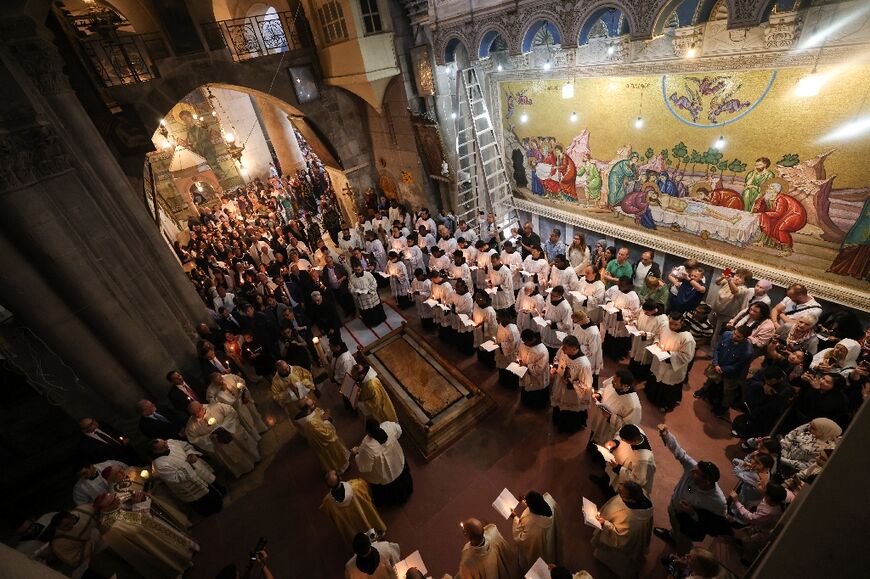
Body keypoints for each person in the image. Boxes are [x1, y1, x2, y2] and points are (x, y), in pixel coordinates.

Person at [653, 425, 727, 554]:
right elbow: (680, 453)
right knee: (674, 525)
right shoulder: (692, 468)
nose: (692, 470)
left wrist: (693, 513)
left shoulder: (718, 501)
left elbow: (716, 522)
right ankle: (672, 535)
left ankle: (680, 557)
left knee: (684, 543)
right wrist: (666, 435)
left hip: (689, 524)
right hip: (674, 508)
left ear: (706, 481)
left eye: (696, 472)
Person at [94, 492, 199, 579]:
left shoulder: (118, 501)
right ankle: (180, 565)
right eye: (113, 500)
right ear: (105, 508)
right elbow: (136, 529)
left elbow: (136, 503)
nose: (117, 499)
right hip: (146, 538)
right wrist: (137, 505)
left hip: (154, 526)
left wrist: (141, 499)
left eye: (115, 496)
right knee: (163, 551)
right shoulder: (109, 525)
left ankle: (188, 550)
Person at [591, 481, 654, 579]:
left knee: (619, 560)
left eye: (621, 493)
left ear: (632, 500)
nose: (618, 491)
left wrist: (605, 524)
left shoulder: (632, 521)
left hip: (620, 552)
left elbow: (620, 538)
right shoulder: (642, 493)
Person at [184, 400, 260, 478]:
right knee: (231, 457)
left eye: (198, 411)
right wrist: (209, 438)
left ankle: (255, 459)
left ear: (201, 406)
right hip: (218, 444)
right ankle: (243, 470)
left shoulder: (215, 407)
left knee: (243, 447)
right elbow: (193, 439)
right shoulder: (191, 426)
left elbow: (230, 412)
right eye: (194, 414)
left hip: (232, 434)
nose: (197, 414)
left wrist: (224, 427)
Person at [149, 438, 223, 516]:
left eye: (164, 442)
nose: (166, 445)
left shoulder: (171, 442)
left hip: (198, 472)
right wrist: (188, 464)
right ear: (155, 451)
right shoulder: (159, 465)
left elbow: (186, 446)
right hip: (188, 486)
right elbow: (175, 478)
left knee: (212, 488)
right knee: (208, 505)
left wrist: (191, 454)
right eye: (162, 447)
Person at [352, 419, 413, 506]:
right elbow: (399, 431)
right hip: (397, 463)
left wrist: (356, 455)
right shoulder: (388, 426)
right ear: (379, 425)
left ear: (368, 432)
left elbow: (365, 467)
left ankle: (392, 503)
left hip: (384, 475)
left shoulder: (367, 446)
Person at [645, 312, 697, 413]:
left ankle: (666, 404)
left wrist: (670, 355)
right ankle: (651, 395)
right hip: (659, 360)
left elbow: (687, 356)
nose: (672, 326)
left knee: (668, 385)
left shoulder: (687, 338)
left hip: (672, 367)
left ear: (682, 322)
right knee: (656, 376)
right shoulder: (665, 325)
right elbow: (657, 335)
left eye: (675, 324)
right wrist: (656, 342)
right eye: (671, 323)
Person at [320, 470, 386, 547]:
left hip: (351, 525)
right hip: (363, 515)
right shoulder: (356, 487)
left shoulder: (328, 503)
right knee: (367, 524)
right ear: (340, 478)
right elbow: (364, 487)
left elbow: (329, 515)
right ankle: (375, 539)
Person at [729, 482, 791, 564]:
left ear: (768, 497)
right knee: (746, 533)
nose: (763, 489)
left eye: (765, 490)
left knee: (749, 544)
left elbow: (750, 517)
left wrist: (736, 501)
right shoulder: (781, 496)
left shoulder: (768, 512)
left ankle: (748, 560)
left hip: (763, 531)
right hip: (760, 526)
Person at [702, 325, 756, 419]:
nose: (734, 336)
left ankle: (724, 408)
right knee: (710, 379)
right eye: (735, 333)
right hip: (717, 365)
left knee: (728, 391)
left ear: (745, 338)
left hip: (731, 374)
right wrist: (716, 363)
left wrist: (721, 369)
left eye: (738, 336)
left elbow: (737, 366)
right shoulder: (727, 334)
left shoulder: (747, 352)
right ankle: (704, 390)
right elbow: (717, 349)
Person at [293, 398, 351, 474]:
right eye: (312, 404)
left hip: (321, 437)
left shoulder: (310, 412)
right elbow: (326, 434)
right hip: (326, 443)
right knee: (335, 455)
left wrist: (324, 415)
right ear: (308, 408)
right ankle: (342, 467)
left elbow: (319, 414)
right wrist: (326, 419)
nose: (315, 402)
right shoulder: (311, 423)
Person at [588, 369, 641, 448]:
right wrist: (599, 394)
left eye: (615, 382)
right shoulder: (614, 381)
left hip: (609, 430)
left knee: (600, 451)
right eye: (613, 379)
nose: (612, 382)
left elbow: (628, 427)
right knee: (593, 440)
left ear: (625, 386)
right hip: (600, 420)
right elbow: (605, 388)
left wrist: (611, 417)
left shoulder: (633, 405)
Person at [550, 335, 593, 433]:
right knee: (559, 405)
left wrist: (570, 385)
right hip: (560, 385)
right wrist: (556, 366)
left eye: (565, 348)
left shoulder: (583, 364)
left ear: (574, 348)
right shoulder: (563, 350)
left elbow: (586, 385)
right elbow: (557, 358)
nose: (562, 349)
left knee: (569, 412)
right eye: (563, 347)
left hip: (572, 393)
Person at [206, 372, 267, 440]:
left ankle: (262, 428)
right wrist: (219, 391)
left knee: (254, 414)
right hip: (235, 407)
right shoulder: (210, 391)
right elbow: (213, 403)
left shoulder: (229, 376)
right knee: (247, 421)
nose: (220, 382)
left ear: (221, 375)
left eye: (221, 379)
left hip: (243, 399)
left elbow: (242, 381)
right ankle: (257, 435)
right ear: (213, 382)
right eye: (217, 382)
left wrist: (244, 395)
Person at [510, 490, 563, 569]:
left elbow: (521, 539)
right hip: (549, 537)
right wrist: (523, 502)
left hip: (541, 547)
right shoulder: (549, 502)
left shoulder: (533, 528)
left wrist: (515, 518)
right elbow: (536, 507)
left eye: (527, 502)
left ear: (532, 508)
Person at [602, 276, 640, 361]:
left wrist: (621, 312)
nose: (619, 288)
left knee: (620, 339)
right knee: (609, 334)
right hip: (612, 318)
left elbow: (635, 313)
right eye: (618, 285)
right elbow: (606, 295)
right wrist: (608, 302)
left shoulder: (633, 297)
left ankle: (617, 354)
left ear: (628, 286)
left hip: (622, 322)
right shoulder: (615, 288)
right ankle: (607, 351)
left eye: (621, 286)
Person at [627, 300, 667, 382]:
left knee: (643, 358)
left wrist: (647, 335)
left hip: (647, 343)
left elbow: (659, 335)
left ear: (653, 310)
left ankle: (640, 376)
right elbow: (636, 316)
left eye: (647, 313)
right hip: (638, 338)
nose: (644, 314)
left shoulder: (662, 319)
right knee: (634, 354)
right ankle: (632, 370)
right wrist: (635, 322)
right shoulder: (643, 309)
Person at [518, 329, 550, 409]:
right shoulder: (523, 344)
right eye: (523, 341)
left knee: (537, 391)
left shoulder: (542, 350)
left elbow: (539, 368)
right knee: (526, 388)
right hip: (526, 373)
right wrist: (519, 360)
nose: (524, 343)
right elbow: (519, 354)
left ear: (532, 339)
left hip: (537, 377)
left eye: (526, 342)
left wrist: (526, 366)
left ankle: (537, 406)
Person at [350, 260, 387, 327]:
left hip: (371, 296)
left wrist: (368, 290)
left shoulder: (368, 274)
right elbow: (350, 288)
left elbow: (374, 283)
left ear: (361, 268)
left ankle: (381, 319)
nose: (357, 271)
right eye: (355, 270)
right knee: (367, 312)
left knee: (376, 308)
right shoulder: (352, 278)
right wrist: (357, 292)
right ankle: (371, 323)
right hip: (362, 299)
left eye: (358, 269)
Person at [542, 285, 573, 358]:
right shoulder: (549, 296)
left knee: (554, 351)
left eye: (554, 296)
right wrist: (543, 312)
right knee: (546, 345)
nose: (551, 297)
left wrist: (553, 325)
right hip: (547, 328)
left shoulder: (565, 307)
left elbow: (567, 325)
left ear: (560, 295)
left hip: (556, 332)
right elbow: (546, 305)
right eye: (551, 294)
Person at [495, 309, 522, 388]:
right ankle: (503, 381)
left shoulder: (512, 329)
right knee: (503, 368)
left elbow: (514, 345)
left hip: (510, 354)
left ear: (505, 318)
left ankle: (511, 385)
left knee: (510, 370)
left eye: (498, 317)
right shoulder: (500, 324)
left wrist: (501, 345)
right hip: (501, 352)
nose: (497, 319)